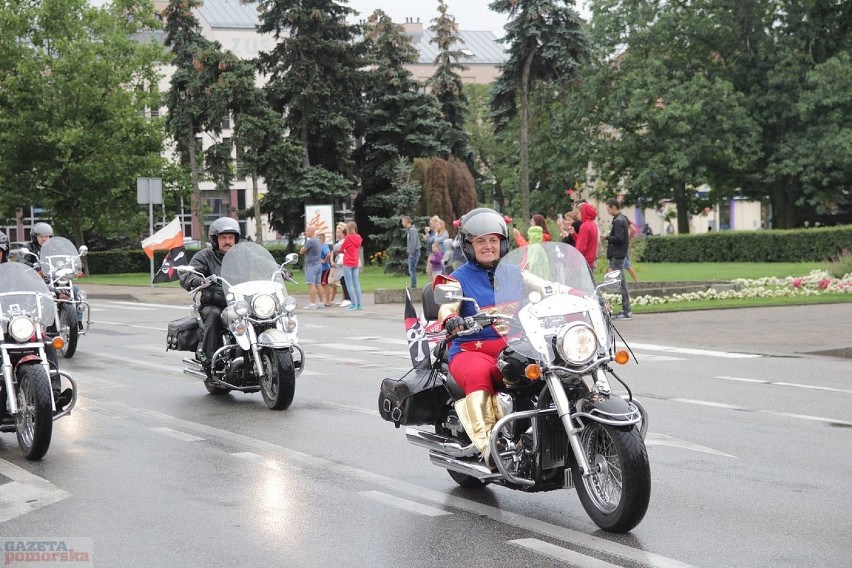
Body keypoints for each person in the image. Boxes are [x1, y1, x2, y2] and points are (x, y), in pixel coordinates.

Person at [179, 217, 241, 374]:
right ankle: (209, 359)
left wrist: (278, 270)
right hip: (214, 303)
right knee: (213, 315)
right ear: (215, 240)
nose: (228, 241)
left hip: (240, 304)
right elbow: (188, 274)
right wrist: (198, 280)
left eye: (231, 237)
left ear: (236, 239)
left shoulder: (242, 255)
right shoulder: (205, 256)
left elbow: (260, 262)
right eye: (223, 238)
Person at [603, 200, 632, 319]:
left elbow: (619, 238)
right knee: (621, 282)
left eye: (609, 209)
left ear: (614, 207)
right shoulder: (623, 218)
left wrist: (607, 237)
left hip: (617, 255)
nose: (608, 212)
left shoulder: (619, 220)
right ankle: (626, 309)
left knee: (621, 282)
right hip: (620, 254)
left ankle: (626, 310)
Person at [340, 220, 363, 311]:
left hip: (347, 262)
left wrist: (345, 250)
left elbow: (342, 248)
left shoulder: (348, 237)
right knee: (356, 283)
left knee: (349, 284)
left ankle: (353, 303)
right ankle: (360, 304)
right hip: (355, 262)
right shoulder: (358, 237)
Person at [299, 225, 324, 309]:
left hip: (311, 265)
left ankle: (312, 304)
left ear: (311, 231)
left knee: (311, 284)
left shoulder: (311, 241)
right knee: (318, 284)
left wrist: (304, 249)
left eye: (307, 231)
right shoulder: (318, 240)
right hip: (318, 264)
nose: (305, 232)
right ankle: (321, 302)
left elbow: (302, 251)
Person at [573, 202, 600, 270]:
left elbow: (581, 247)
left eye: (579, 213)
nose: (577, 216)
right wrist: (573, 234)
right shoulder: (593, 224)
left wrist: (575, 260)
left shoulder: (584, 226)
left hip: (584, 261)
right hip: (590, 260)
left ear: (583, 213)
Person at [331, 222, 351, 307]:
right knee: (343, 280)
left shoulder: (344, 241)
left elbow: (336, 248)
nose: (337, 233)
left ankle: (348, 298)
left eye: (338, 232)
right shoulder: (341, 241)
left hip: (344, 263)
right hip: (341, 263)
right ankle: (345, 298)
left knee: (344, 280)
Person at [402, 216, 421, 289]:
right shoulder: (409, 230)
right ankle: (413, 285)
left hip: (414, 253)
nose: (402, 223)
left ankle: (413, 286)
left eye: (403, 221)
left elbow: (413, 242)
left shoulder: (412, 230)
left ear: (407, 222)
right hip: (412, 252)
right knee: (411, 269)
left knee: (412, 269)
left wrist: (411, 253)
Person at [319, 232, 333, 306]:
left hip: (325, 269)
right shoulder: (320, 247)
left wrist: (324, 261)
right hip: (321, 269)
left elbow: (328, 254)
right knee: (322, 284)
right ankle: (325, 300)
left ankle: (328, 301)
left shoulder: (324, 246)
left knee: (324, 284)